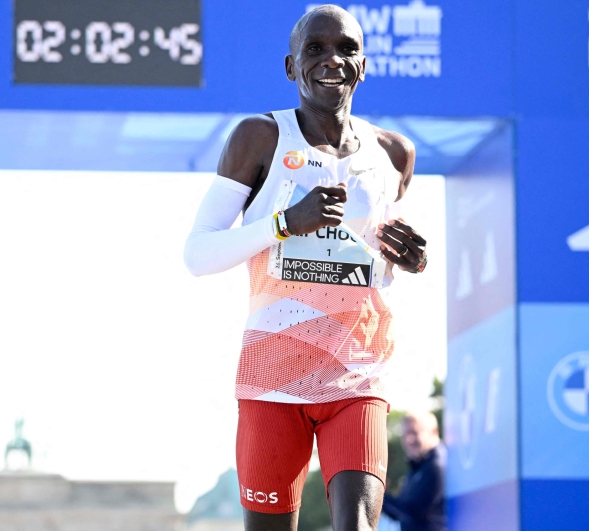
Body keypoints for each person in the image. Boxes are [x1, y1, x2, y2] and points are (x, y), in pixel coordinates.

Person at [183, 5, 428, 531]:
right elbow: (198, 254)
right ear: (291, 67)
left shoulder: (394, 153)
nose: (331, 59)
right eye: (314, 49)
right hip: (273, 375)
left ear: (363, 65)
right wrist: (285, 223)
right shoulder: (259, 137)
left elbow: (379, 254)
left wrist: (413, 258)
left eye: (346, 49)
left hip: (358, 372)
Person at [380, 412, 446, 531]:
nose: (409, 440)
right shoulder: (419, 465)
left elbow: (414, 514)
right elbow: (399, 514)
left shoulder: (437, 466)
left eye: (414, 433)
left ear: (434, 431)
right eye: (405, 435)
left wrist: (378, 493)